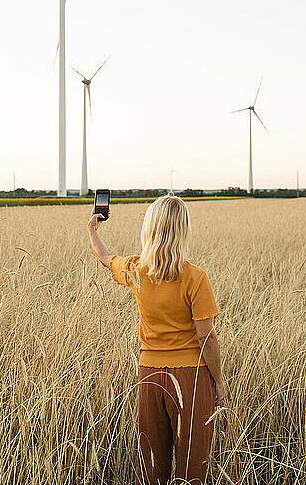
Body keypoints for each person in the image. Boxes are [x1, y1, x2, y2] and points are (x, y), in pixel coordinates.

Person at [87, 194, 226, 485]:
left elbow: (105, 259)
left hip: (149, 376)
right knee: (191, 469)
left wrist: (92, 230)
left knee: (152, 466)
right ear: (182, 230)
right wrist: (220, 381)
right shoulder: (195, 278)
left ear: (149, 229)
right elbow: (206, 337)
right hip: (192, 378)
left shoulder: (137, 269)